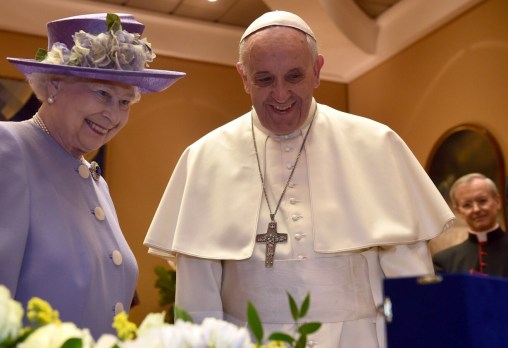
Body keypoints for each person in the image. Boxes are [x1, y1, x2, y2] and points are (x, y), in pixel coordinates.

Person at [144, 10, 454, 348]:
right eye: (264, 79)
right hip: (249, 340)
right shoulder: (204, 157)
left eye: (294, 76)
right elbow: (198, 295)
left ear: (317, 70)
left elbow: (409, 276)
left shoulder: (376, 144)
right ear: (244, 76)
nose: (280, 95)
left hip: (360, 338)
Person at [0, 13, 184, 338]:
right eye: (103, 93)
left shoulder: (96, 184)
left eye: (125, 101)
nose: (113, 114)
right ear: (54, 85)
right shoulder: (3, 146)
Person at [433, 173, 508, 276]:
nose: (476, 209)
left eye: (482, 201)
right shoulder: (444, 261)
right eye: (467, 205)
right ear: (459, 211)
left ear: (498, 201)